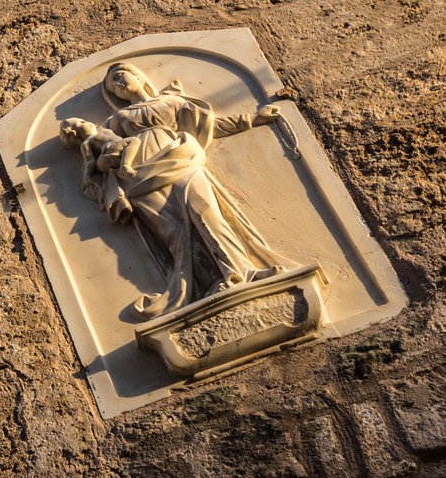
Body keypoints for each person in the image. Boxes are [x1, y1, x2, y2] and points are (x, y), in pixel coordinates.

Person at [60, 61, 293, 319]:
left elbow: (211, 125)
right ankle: (209, 284)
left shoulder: (171, 102)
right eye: (112, 86)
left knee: (206, 212)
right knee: (174, 233)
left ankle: (244, 271)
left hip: (180, 157)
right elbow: (103, 157)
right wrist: (105, 164)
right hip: (139, 179)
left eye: (119, 75)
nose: (118, 84)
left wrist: (253, 119)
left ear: (138, 75)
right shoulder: (116, 120)